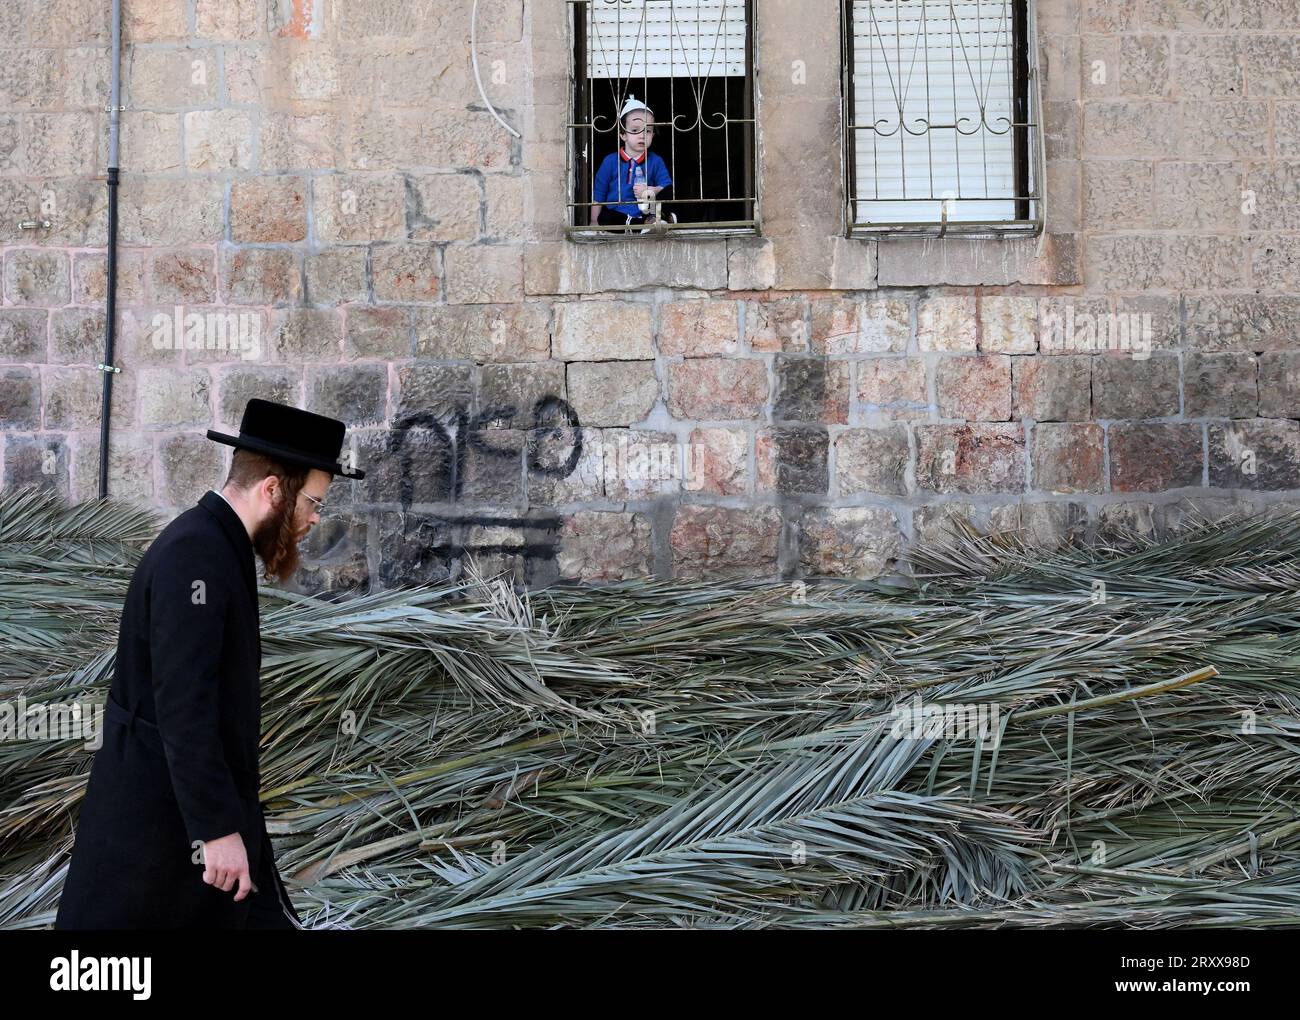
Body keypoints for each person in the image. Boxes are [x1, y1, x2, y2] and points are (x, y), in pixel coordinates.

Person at [54, 399, 366, 929]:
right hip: (161, 829)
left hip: (190, 819)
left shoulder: (216, 546)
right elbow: (184, 706)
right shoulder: (196, 555)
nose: (315, 518)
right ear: (273, 490)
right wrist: (216, 830)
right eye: (314, 502)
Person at [590, 94, 675, 231]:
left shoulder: (655, 160)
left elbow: (666, 187)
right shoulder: (610, 161)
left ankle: (657, 219)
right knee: (604, 218)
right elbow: (599, 195)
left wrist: (651, 189)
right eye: (635, 130)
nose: (642, 135)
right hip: (619, 215)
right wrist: (593, 223)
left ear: (652, 135)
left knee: (668, 191)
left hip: (648, 214)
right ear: (623, 134)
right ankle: (646, 226)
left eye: (647, 131)